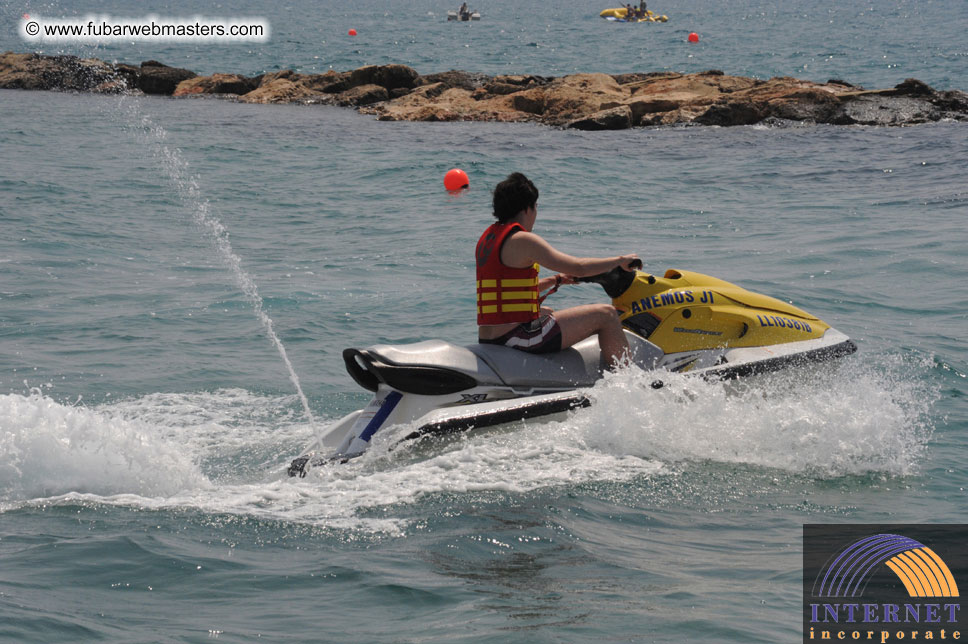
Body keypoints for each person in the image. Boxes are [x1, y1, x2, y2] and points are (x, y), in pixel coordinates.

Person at [476, 173, 640, 369]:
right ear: (528, 208)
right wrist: (619, 261)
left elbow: (506, 292)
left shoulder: (488, 238)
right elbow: (578, 267)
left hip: (491, 338)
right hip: (517, 337)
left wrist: (556, 280)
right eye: (536, 207)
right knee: (606, 314)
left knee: (548, 313)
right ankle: (628, 380)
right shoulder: (523, 239)